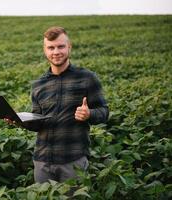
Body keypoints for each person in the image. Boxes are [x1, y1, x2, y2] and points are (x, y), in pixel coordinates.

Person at [6, 26, 109, 183]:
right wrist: (18, 121)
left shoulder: (87, 78)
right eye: (51, 47)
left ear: (69, 47)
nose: (56, 52)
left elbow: (104, 112)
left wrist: (89, 114)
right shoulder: (39, 84)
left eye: (60, 46)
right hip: (42, 162)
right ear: (45, 50)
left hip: (73, 160)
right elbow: (38, 123)